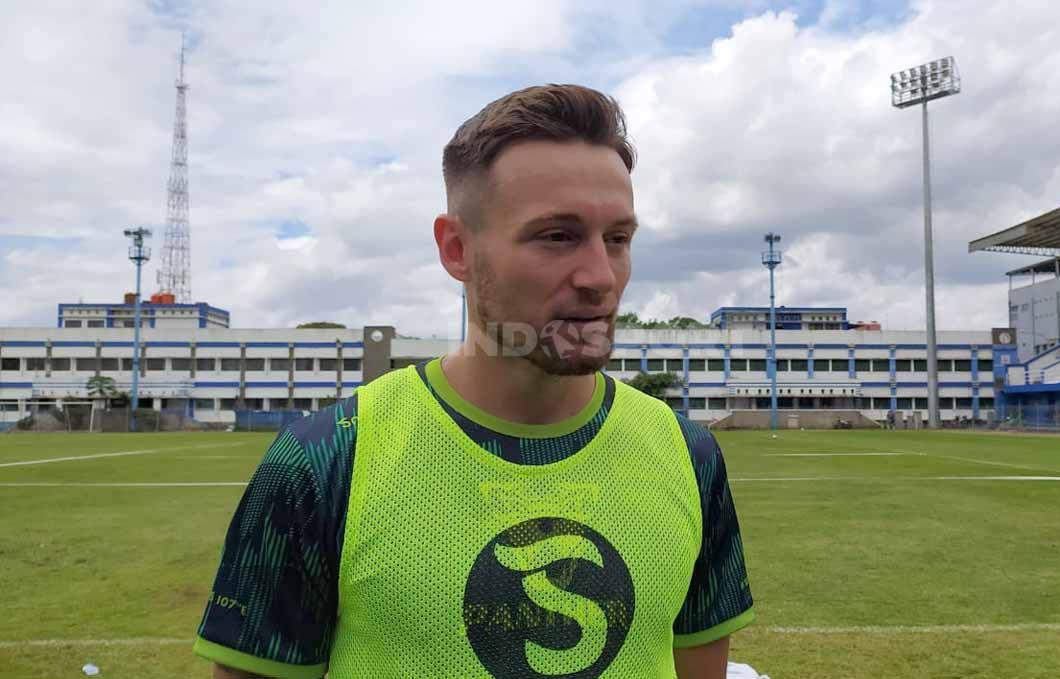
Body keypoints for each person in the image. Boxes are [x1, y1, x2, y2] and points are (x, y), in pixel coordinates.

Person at [193, 84, 754, 679]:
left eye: (617, 239)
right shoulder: (325, 458)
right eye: (557, 236)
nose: (600, 277)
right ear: (457, 248)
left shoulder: (688, 454)